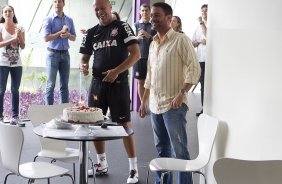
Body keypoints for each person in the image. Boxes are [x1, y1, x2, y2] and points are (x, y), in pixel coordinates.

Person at [139, 2, 200, 184]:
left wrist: (182, 93)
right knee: (162, 150)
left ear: (168, 18)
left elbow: (194, 69)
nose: (152, 19)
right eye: (151, 15)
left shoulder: (181, 40)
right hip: (155, 106)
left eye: (156, 15)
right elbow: (150, 75)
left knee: (180, 152)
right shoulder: (153, 44)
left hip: (173, 106)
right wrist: (143, 101)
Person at [79, 0, 140, 183]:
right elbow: (84, 57)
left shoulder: (123, 27)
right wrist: (83, 66)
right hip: (97, 85)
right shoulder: (91, 32)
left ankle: (133, 169)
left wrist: (116, 71)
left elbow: (136, 54)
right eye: (96, 9)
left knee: (125, 126)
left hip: (119, 84)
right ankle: (102, 164)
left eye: (102, 8)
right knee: (95, 125)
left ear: (110, 8)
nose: (100, 12)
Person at [42, 0, 76, 105]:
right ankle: (49, 115)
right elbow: (46, 38)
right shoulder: (48, 19)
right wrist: (60, 32)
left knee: (64, 85)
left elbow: (74, 37)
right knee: (50, 85)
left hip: (65, 55)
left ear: (63, 4)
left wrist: (68, 35)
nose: (57, 3)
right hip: (52, 55)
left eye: (59, 1)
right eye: (55, 1)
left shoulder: (69, 20)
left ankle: (64, 114)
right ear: (53, 4)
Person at [0, 5, 25, 127]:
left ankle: (15, 116)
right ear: (2, 14)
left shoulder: (20, 27)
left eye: (10, 11)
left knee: (15, 90)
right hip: (2, 63)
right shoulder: (0, 27)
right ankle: (0, 116)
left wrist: (19, 35)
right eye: (5, 11)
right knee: (1, 90)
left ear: (13, 13)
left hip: (17, 64)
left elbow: (23, 46)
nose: (8, 13)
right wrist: (12, 39)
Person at [133, 3, 156, 102]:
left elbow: (160, 40)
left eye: (146, 10)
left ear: (150, 12)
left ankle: (151, 103)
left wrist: (149, 36)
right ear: (139, 12)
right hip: (139, 58)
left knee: (153, 82)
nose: (144, 12)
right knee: (140, 82)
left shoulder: (154, 25)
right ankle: (143, 105)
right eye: (142, 10)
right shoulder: (135, 25)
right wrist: (137, 38)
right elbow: (130, 41)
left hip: (152, 58)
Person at [192, 4, 208, 116]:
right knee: (203, 85)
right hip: (201, 60)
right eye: (202, 11)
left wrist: (202, 23)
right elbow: (192, 44)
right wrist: (198, 41)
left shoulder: (211, 25)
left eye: (206, 11)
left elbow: (208, 35)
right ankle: (204, 108)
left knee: (211, 86)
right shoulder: (197, 28)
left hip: (211, 61)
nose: (204, 13)